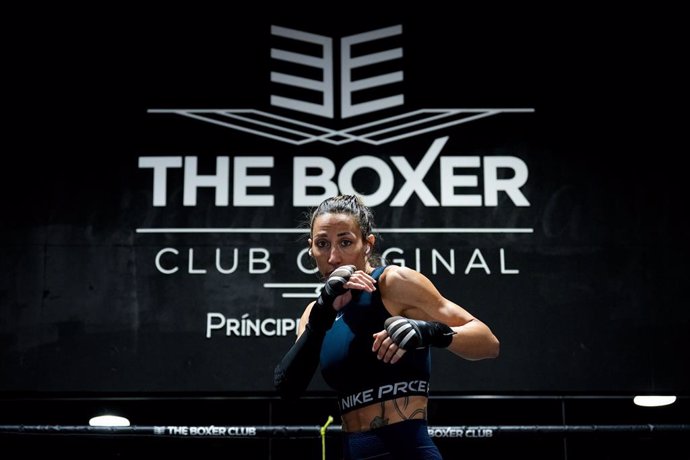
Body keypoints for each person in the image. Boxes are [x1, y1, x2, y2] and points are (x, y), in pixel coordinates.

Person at [274, 194, 500, 459]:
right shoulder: (314, 313)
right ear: (311, 248)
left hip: (406, 449)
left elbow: (489, 343)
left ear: (367, 244)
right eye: (323, 244)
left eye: (345, 242)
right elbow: (287, 388)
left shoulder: (392, 283)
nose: (334, 257)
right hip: (351, 450)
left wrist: (430, 333)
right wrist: (322, 313)